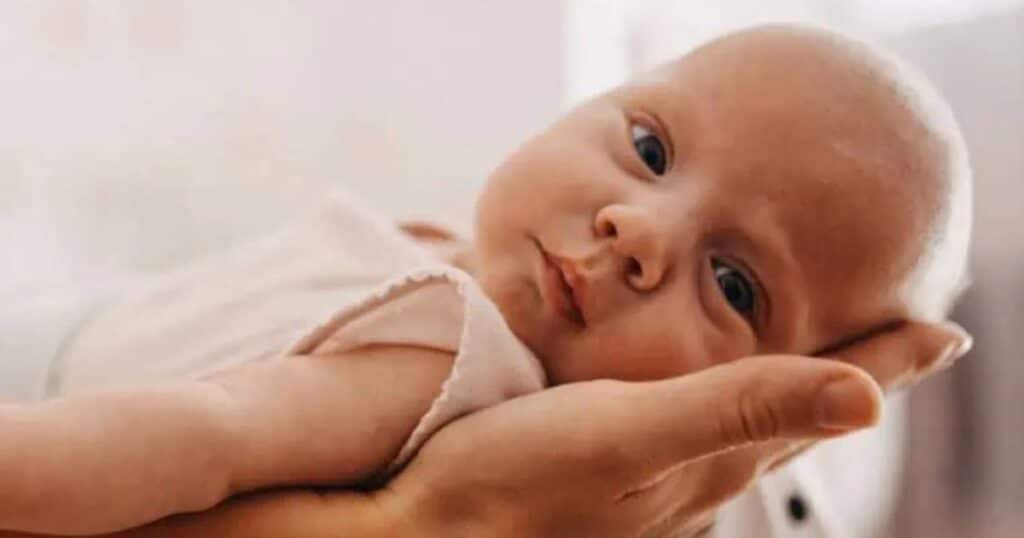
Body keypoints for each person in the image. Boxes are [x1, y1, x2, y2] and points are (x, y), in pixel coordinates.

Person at [0, 25, 972, 536]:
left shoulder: (444, 362)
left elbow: (201, 436)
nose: (636, 229)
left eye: (734, 283)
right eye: (648, 145)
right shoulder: (446, 263)